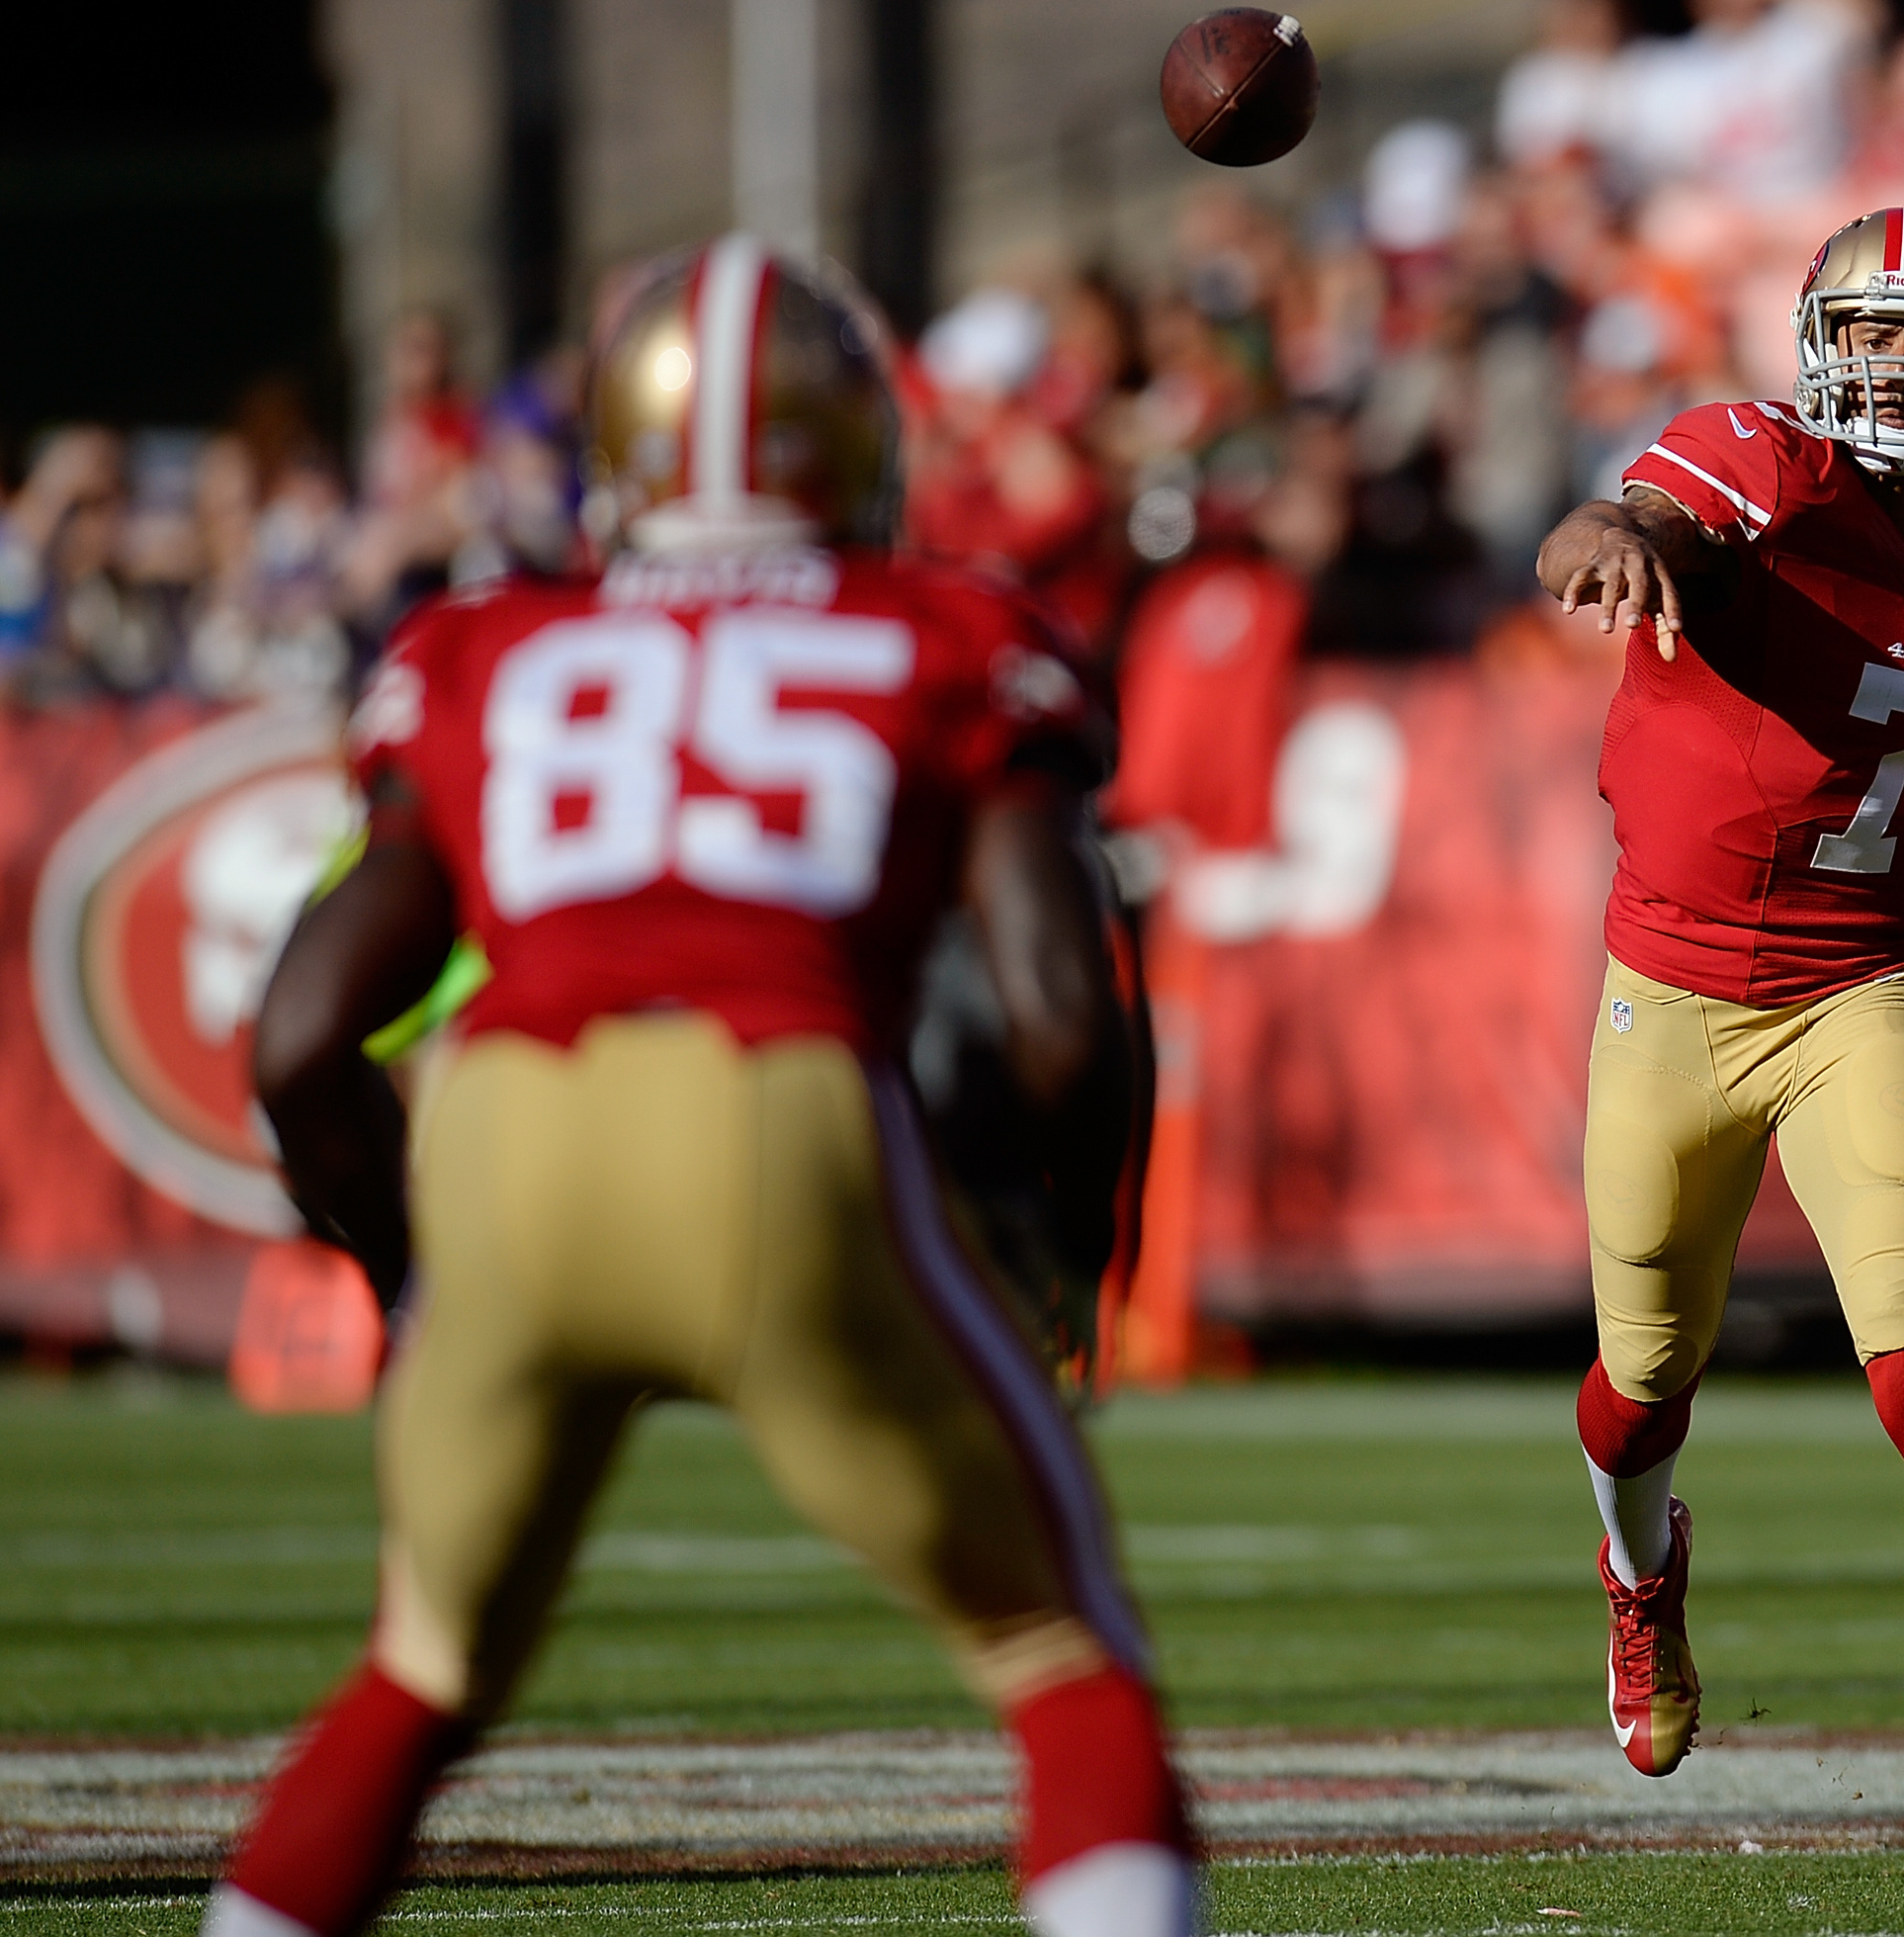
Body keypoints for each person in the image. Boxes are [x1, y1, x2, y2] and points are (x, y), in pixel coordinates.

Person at [202, 236, 1192, 1937]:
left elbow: (299, 1037)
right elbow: (1058, 1013)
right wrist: (1066, 1241)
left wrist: (414, 1270)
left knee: (418, 1675)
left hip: (505, 1130)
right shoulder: (948, 626)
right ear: (858, 445)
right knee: (1062, 1659)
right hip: (776, 1113)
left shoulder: (481, 643)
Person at [1534, 206, 1904, 1896]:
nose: (1896, 365)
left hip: (1861, 986)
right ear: (1819, 339)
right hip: (1673, 995)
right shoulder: (1748, 462)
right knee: (1642, 1384)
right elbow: (1623, 511)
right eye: (1871, 332)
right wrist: (1601, 542)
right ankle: (1641, 1580)